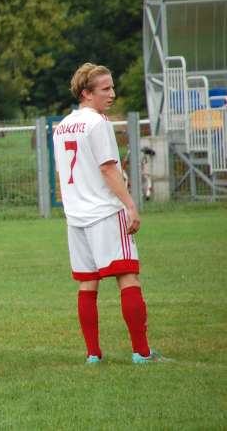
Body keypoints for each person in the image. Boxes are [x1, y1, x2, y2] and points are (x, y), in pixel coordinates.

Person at [52, 62, 166, 364]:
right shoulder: (97, 123)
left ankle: (93, 354)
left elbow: (61, 173)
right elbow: (107, 167)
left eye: (112, 87)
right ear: (87, 93)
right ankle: (142, 352)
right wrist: (130, 205)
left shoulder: (62, 126)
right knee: (128, 277)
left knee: (87, 284)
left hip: (76, 217)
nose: (112, 94)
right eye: (106, 89)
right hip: (104, 212)